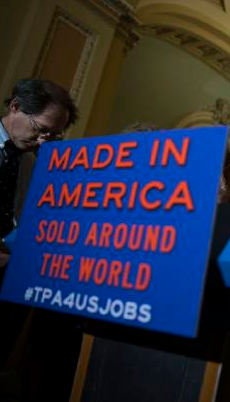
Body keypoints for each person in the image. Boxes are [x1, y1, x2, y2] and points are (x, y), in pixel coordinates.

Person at [0, 78, 78, 401]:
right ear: (15, 107)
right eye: (41, 130)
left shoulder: (31, 162)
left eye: (53, 136)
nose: (44, 141)